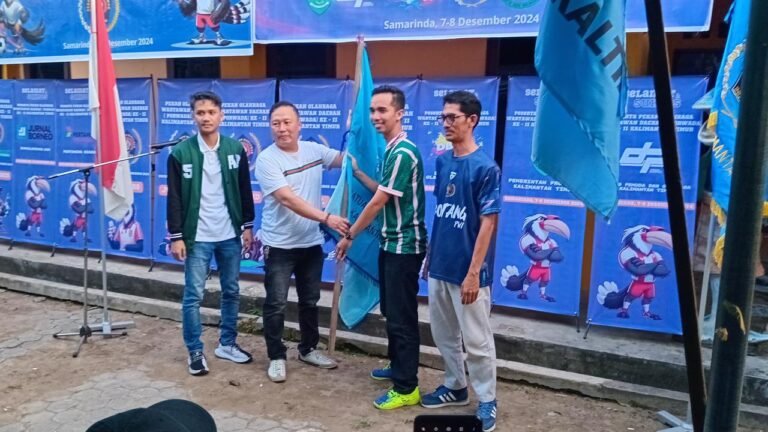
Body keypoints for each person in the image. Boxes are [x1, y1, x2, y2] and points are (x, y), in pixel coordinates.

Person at [336, 85, 427, 410]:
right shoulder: (392, 149)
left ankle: (407, 387)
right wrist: (359, 173)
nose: (375, 116)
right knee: (392, 312)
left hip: (405, 247)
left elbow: (378, 202)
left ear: (399, 113)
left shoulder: (402, 152)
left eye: (382, 110)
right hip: (391, 244)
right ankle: (398, 367)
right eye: (372, 110)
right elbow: (383, 189)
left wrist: (350, 235)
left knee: (402, 318)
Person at [420, 91, 500, 431]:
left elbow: (488, 223)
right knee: (444, 335)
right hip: (440, 266)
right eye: (444, 117)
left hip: (468, 273)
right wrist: (430, 257)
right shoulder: (442, 162)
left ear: (473, 120)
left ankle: (487, 400)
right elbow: (443, 214)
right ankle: (455, 386)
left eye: (452, 117)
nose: (446, 123)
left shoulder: (485, 168)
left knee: (477, 342)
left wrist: (473, 274)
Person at [254, 101, 349, 383]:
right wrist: (326, 218)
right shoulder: (267, 159)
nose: (282, 128)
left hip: (310, 243)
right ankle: (276, 356)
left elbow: (345, 161)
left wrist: (357, 135)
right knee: (276, 303)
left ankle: (308, 349)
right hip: (279, 246)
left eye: (287, 122)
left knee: (310, 300)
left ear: (299, 124)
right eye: (276, 123)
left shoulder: (313, 151)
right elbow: (287, 199)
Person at [167, 90, 255, 376]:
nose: (206, 117)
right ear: (193, 116)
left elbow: (244, 189)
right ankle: (195, 350)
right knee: (194, 295)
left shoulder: (234, 149)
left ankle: (227, 344)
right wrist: (177, 235)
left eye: (211, 112)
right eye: (201, 112)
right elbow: (174, 198)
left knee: (231, 291)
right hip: (197, 237)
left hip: (229, 234)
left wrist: (248, 226)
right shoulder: (180, 152)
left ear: (221, 115)